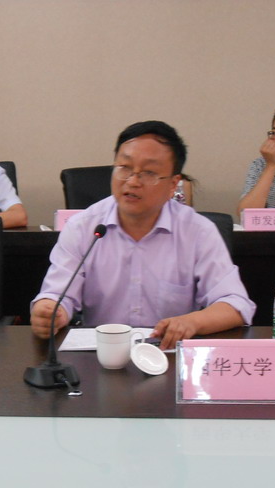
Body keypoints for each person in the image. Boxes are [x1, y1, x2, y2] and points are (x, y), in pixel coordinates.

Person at [31, 121, 255, 350]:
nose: (132, 181)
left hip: (169, 356)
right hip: (101, 357)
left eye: (149, 173)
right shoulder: (84, 227)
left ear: (173, 184)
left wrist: (191, 322)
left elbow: (235, 304)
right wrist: (50, 311)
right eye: (124, 167)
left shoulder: (198, 231)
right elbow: (57, 295)